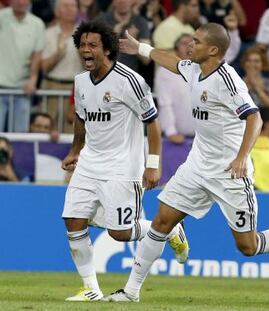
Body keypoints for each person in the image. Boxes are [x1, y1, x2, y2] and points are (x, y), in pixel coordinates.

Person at [104, 22, 269, 302]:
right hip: (197, 167)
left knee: (248, 246)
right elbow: (173, 63)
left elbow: (254, 118)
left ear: (213, 50)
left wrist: (241, 157)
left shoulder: (228, 80)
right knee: (162, 220)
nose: (190, 45)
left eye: (197, 42)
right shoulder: (194, 69)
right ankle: (131, 292)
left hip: (229, 173)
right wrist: (140, 47)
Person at [61, 20, 189, 302]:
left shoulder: (130, 81)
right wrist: (75, 150)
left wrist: (153, 163)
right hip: (90, 163)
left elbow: (152, 123)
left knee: (120, 233)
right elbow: (81, 118)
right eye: (82, 45)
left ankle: (169, 229)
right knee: (73, 220)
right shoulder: (81, 81)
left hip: (122, 166)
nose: (86, 50)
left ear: (107, 49)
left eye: (92, 45)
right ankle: (91, 289)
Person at [0, 0, 45, 132]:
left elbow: (37, 55)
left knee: (20, 138)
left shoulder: (37, 24)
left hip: (22, 90)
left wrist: (33, 79)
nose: (20, 2)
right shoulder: (1, 17)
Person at [41, 0, 83, 133]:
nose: (70, 9)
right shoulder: (48, 33)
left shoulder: (85, 35)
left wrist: (81, 50)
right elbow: (44, 67)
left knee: (73, 132)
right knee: (47, 129)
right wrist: (58, 54)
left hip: (76, 89)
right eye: (66, 6)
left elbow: (91, 66)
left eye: (73, 6)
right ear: (57, 11)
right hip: (51, 86)